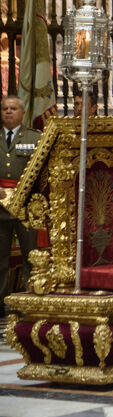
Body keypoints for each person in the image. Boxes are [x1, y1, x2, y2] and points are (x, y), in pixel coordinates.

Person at [0, 96, 41, 316]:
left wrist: (23, 192)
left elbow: (43, 171)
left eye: (13, 108)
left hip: (26, 208)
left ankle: (31, 303)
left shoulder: (34, 138)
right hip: (0, 208)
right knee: (0, 259)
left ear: (22, 113)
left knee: (31, 258)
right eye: (5, 108)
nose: (8, 112)